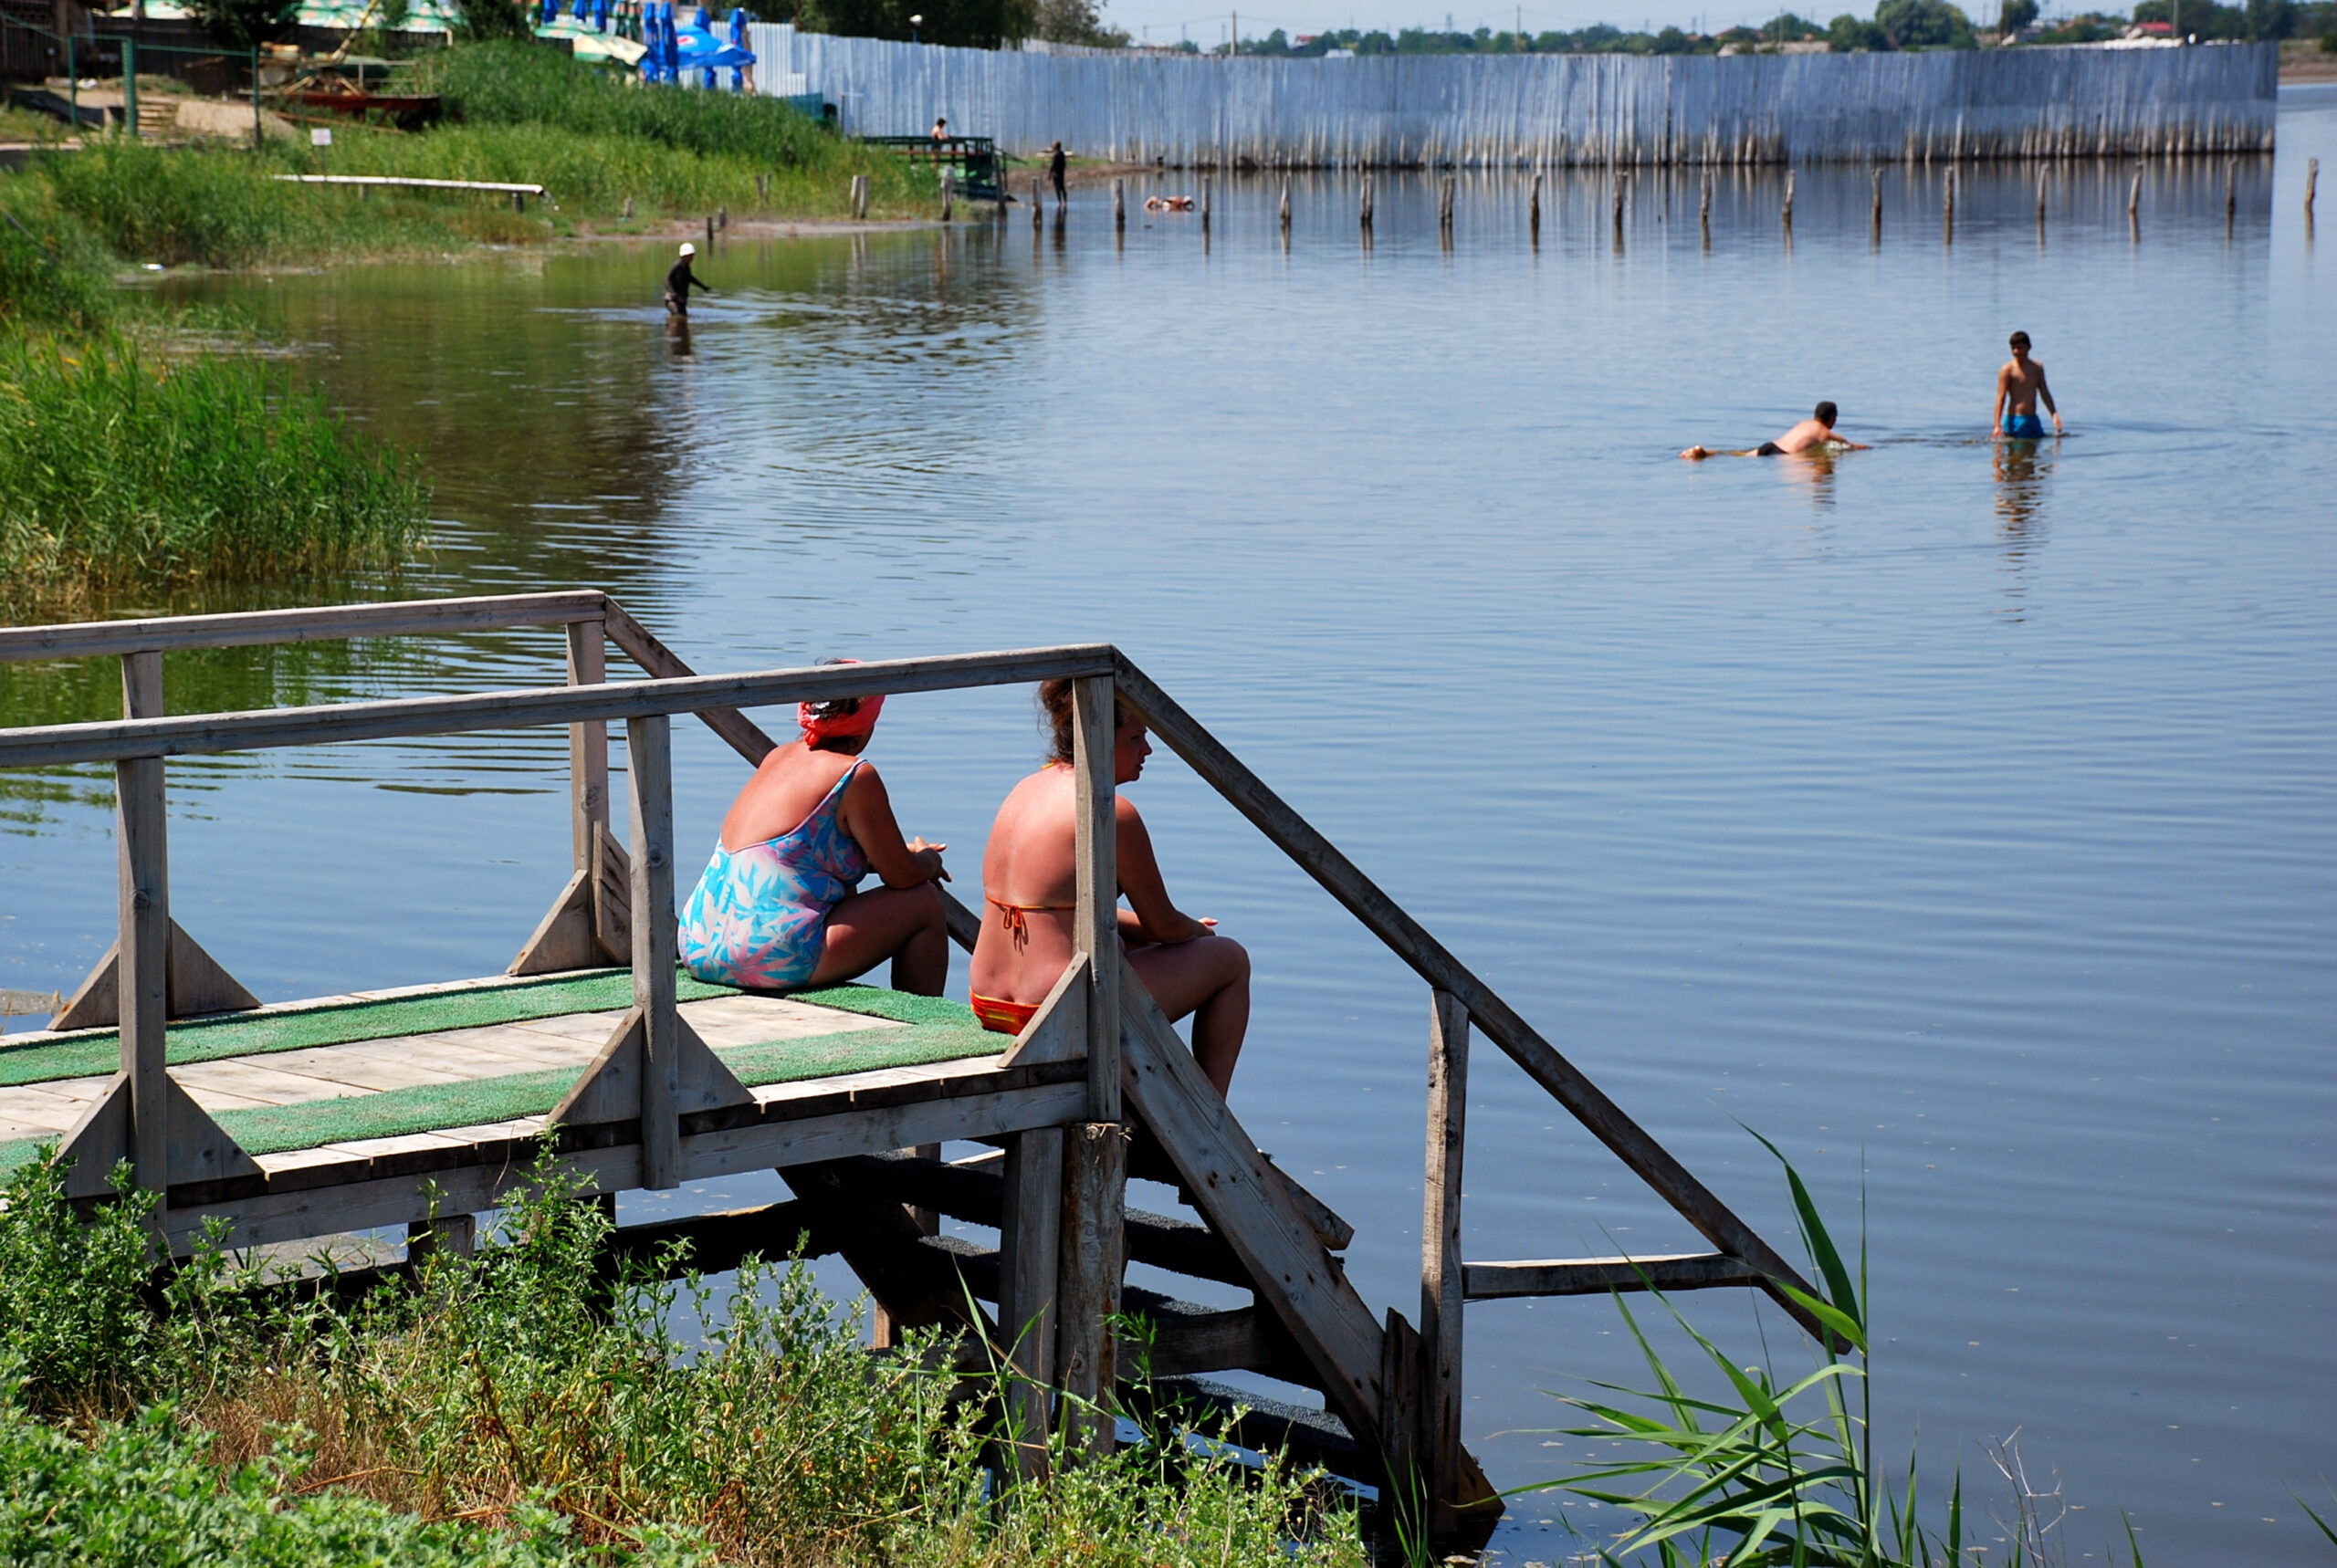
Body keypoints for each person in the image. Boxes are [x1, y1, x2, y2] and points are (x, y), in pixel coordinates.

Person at [969, 681, 1251, 1095]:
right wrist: (1197, 932)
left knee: (1127, 945)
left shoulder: (1025, 789)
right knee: (1230, 960)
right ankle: (1211, 1115)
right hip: (1056, 1010)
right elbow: (1164, 924)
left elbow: (1061, 912)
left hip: (990, 1002)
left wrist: (1158, 934)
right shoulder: (1110, 811)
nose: (1147, 750)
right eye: (1135, 738)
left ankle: (1155, 1097)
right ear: (1099, 736)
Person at [678, 668, 952, 995]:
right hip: (766, 955)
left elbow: (796, 856)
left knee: (843, 892)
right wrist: (928, 860)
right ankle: (917, 1019)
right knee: (924, 902)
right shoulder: (855, 775)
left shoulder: (778, 757)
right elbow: (902, 876)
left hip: (697, 946)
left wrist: (897, 852)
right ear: (866, 726)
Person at [1680, 402, 1871, 460]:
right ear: (1832, 418)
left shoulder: (1804, 424)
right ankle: (1703, 454)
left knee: (1739, 454)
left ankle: (1705, 453)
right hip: (1781, 456)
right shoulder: (1825, 433)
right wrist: (1871, 448)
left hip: (1771, 446)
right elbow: (1851, 446)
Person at [1992, 330, 2062, 440]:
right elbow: (2001, 397)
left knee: (2035, 448)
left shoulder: (2037, 368)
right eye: (2013, 348)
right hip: (2015, 420)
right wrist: (1997, 425)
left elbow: (2044, 393)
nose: (2016, 351)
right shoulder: (2007, 370)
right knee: (2018, 449)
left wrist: (2054, 414)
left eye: (2020, 347)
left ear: (2029, 347)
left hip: (2033, 419)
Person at [664, 242, 710, 318]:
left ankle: (670, 321)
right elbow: (668, 279)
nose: (692, 258)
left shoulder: (686, 267)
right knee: (678, 316)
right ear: (684, 255)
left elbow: (691, 278)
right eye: (690, 255)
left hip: (681, 299)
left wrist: (703, 287)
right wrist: (672, 291)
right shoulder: (677, 265)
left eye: (692, 255)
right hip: (672, 300)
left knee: (683, 318)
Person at [1047, 140, 1068, 205]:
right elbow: (1064, 163)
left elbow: (1052, 165)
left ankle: (1060, 202)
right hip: (1061, 173)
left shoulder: (1055, 155)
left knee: (1057, 188)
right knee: (1062, 187)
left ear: (1056, 147)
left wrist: (1049, 174)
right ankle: (1065, 202)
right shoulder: (1062, 154)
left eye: (1054, 146)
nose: (1053, 147)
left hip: (1056, 174)